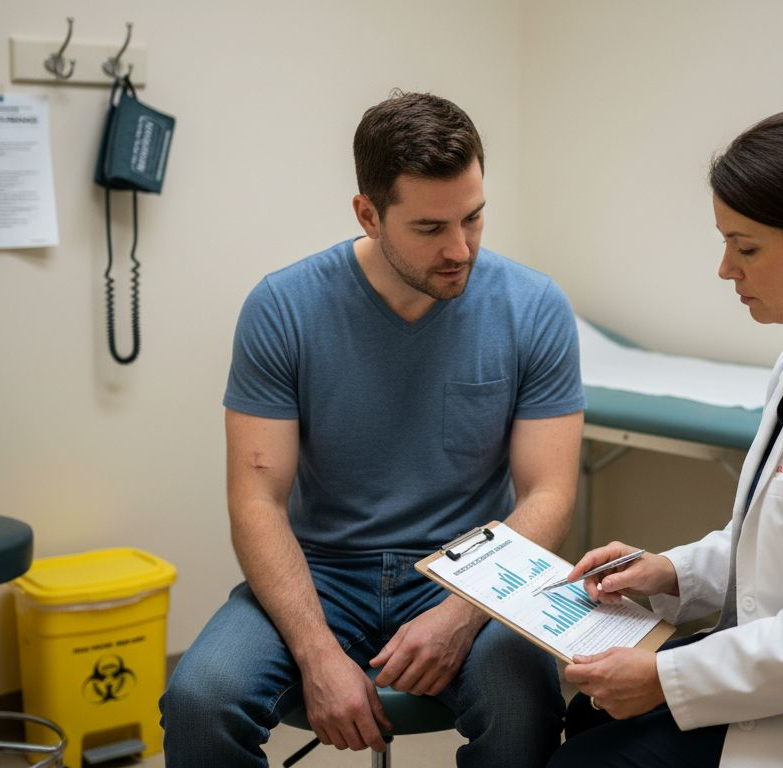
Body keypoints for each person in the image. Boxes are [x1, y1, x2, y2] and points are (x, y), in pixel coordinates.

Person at [160, 91, 585, 768]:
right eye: (428, 228)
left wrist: (463, 613)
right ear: (367, 213)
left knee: (526, 703)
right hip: (322, 571)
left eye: (473, 218)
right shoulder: (285, 307)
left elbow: (549, 496)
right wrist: (317, 653)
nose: (459, 248)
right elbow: (257, 501)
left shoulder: (533, 308)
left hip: (468, 571)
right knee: (199, 699)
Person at [547, 109, 783, 768]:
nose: (726, 269)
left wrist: (664, 679)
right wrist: (668, 571)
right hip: (777, 667)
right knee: (585, 709)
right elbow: (772, 544)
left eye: (745, 247)